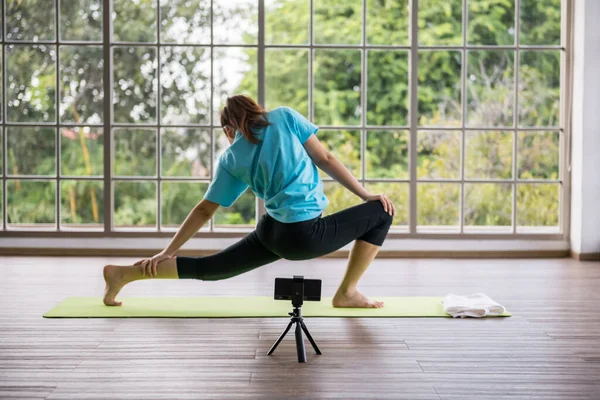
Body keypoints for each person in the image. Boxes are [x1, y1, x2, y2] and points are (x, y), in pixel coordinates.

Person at [103, 95, 396, 308]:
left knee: (211, 268)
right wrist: (365, 194)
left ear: (227, 129)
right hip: (304, 235)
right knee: (380, 212)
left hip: (270, 232)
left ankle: (124, 274)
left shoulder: (232, 158)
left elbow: (205, 209)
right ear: (257, 110)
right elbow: (325, 159)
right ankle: (347, 292)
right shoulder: (284, 117)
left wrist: (166, 251)